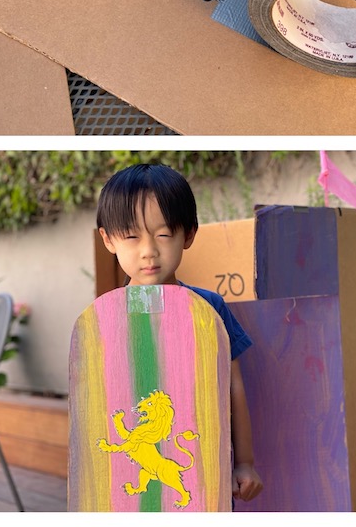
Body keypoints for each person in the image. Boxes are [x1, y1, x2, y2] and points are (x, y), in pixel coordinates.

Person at [96, 163, 263, 504]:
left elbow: (234, 385)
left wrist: (244, 462)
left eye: (163, 234)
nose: (148, 251)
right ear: (108, 239)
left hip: (207, 470)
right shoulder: (102, 318)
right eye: (131, 236)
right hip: (126, 481)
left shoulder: (209, 307)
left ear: (188, 234)